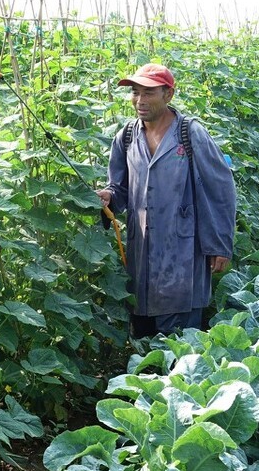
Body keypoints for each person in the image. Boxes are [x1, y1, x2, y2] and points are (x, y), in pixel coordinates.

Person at [95, 63, 236, 338]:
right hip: (141, 259)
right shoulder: (126, 137)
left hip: (183, 255)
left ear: (168, 95)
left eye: (149, 93)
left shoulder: (190, 134)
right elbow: (119, 187)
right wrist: (109, 196)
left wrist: (220, 245)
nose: (140, 100)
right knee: (144, 343)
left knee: (180, 347)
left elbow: (221, 190)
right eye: (135, 93)